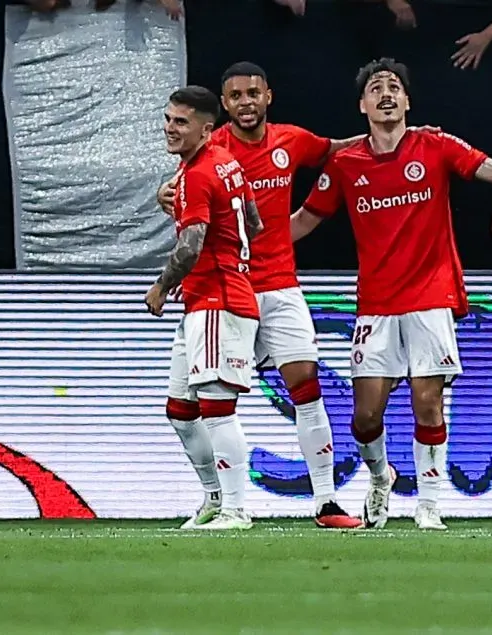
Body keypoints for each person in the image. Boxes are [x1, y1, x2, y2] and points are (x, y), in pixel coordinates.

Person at [288, 58, 492, 530]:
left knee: (427, 402)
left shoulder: (435, 145)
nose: (386, 93)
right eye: (376, 88)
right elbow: (303, 221)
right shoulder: (345, 164)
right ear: (363, 105)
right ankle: (381, 476)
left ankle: (429, 505)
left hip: (431, 298)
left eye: (395, 86)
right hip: (375, 305)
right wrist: (245, 242)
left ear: (408, 101)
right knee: (365, 418)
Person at [157, 62, 366, 529]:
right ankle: (218, 497)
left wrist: (395, 137)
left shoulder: (291, 140)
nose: (246, 102)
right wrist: (162, 194)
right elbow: (181, 193)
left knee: (306, 391)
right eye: (236, 96)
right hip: (225, 291)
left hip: (278, 288)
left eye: (254, 93)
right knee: (186, 407)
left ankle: (327, 502)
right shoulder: (213, 150)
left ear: (268, 96)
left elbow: (333, 150)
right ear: (224, 106)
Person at [145, 85, 264, 531]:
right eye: (168, 118)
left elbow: (191, 246)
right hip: (205, 299)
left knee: (217, 409)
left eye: (181, 121)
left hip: (219, 299)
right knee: (180, 409)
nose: (170, 128)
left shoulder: (198, 174)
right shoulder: (226, 164)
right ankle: (215, 498)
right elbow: (253, 221)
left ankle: (236, 509)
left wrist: (160, 286)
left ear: (206, 128)